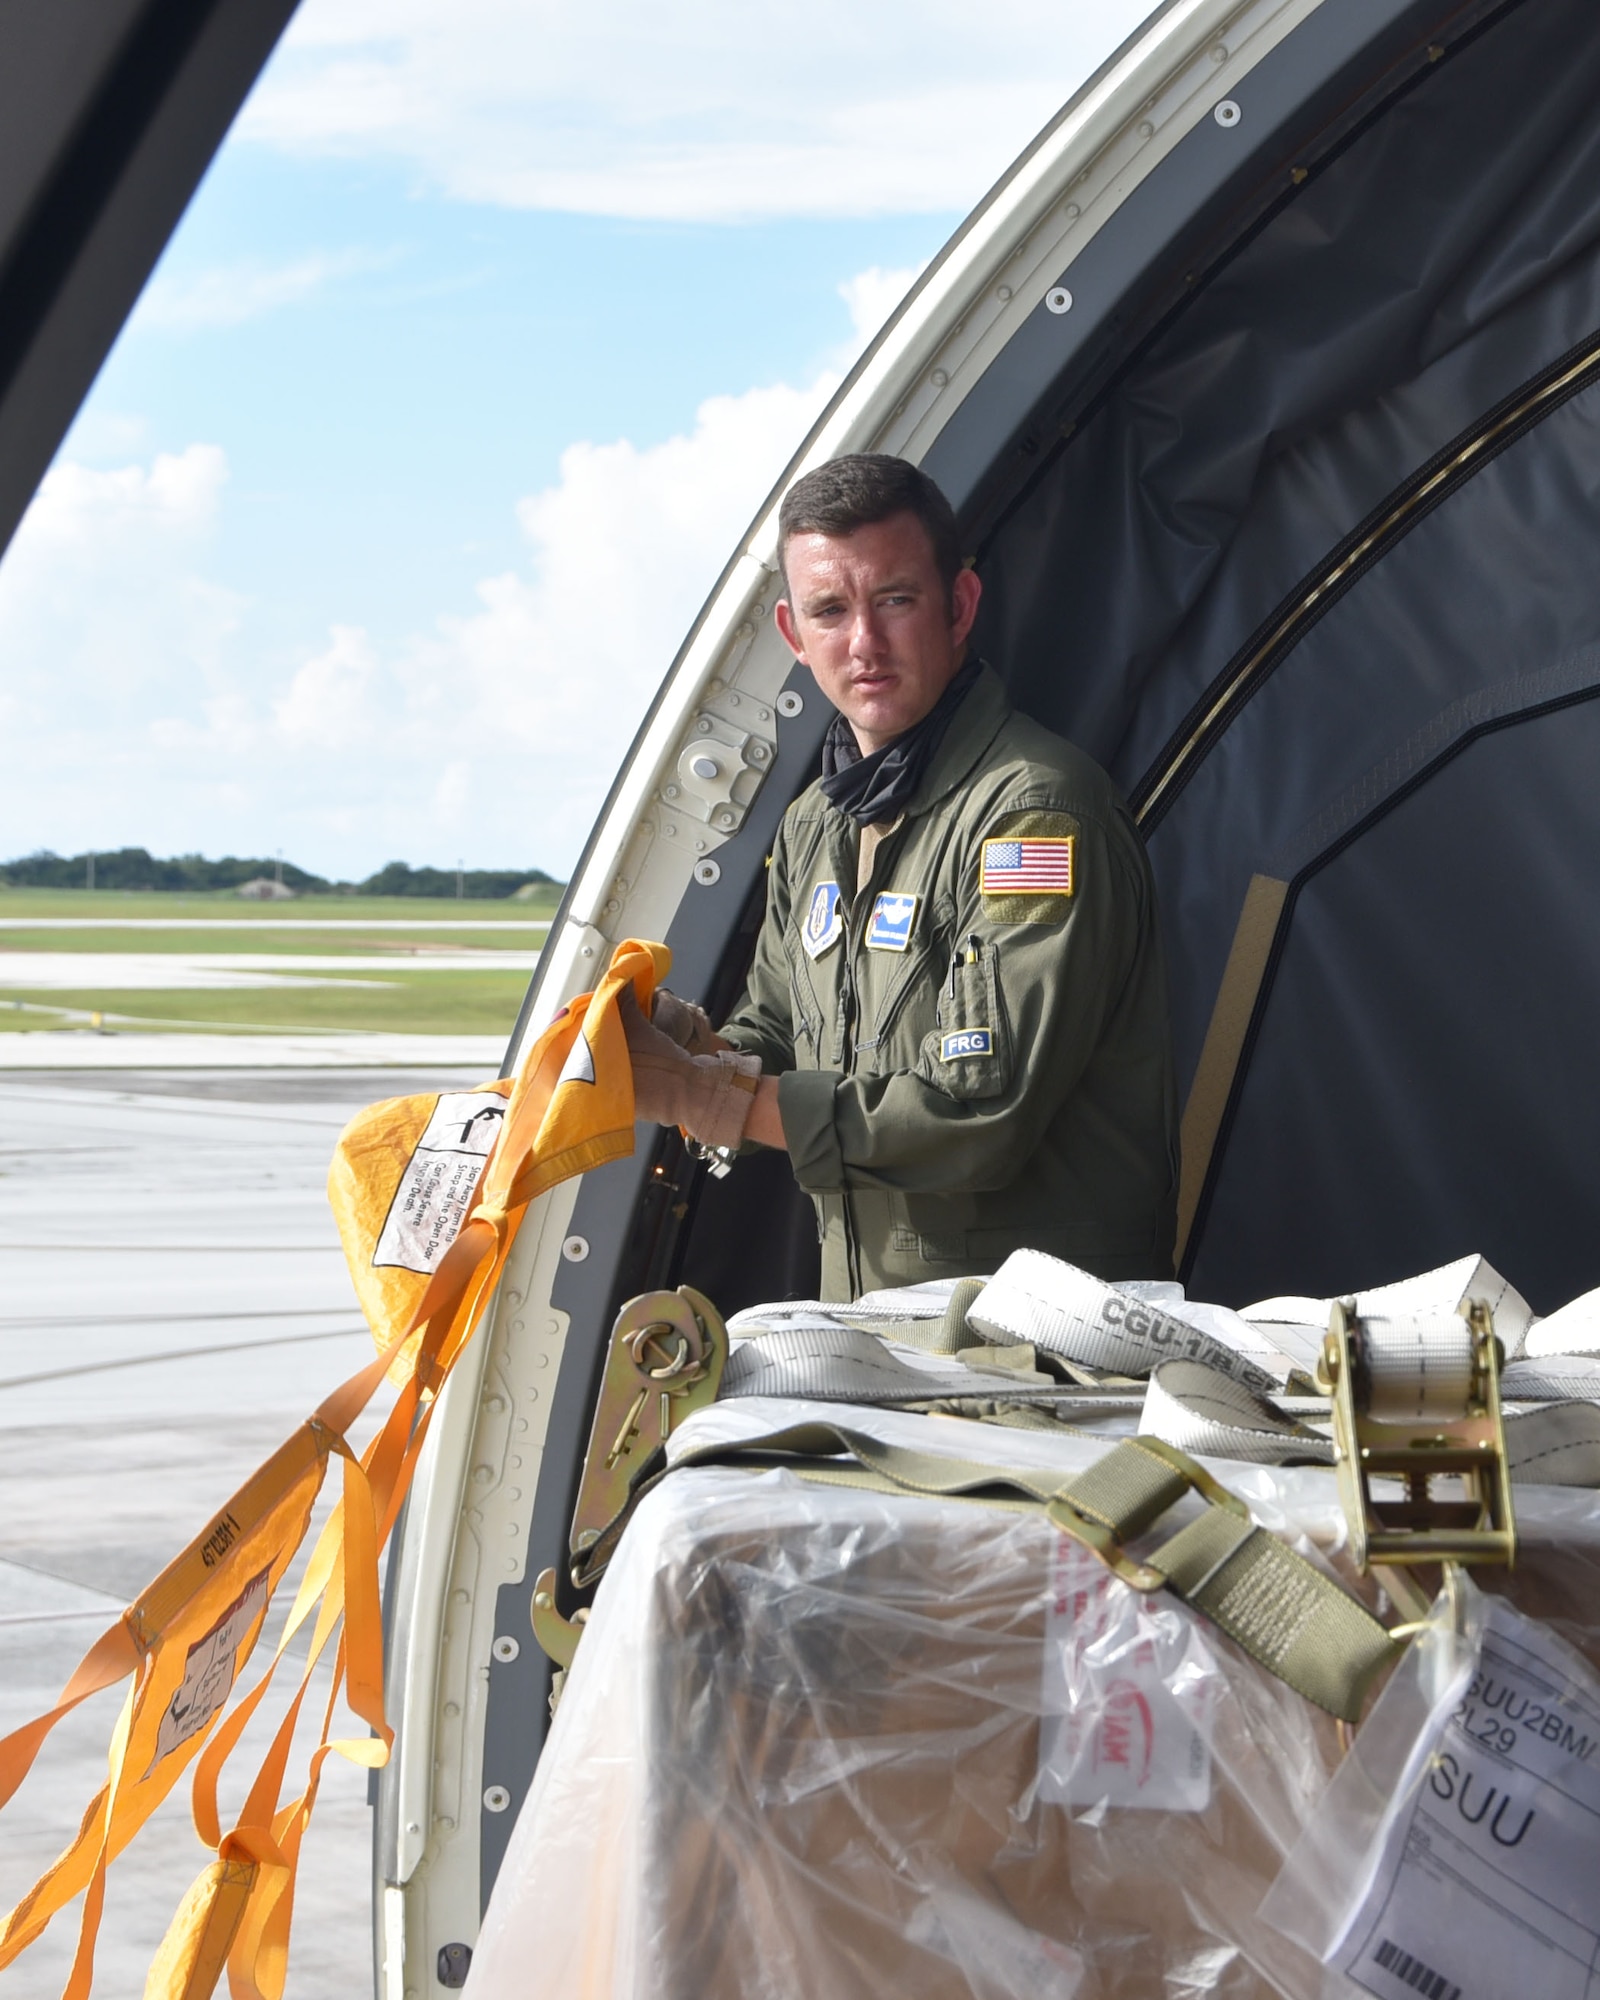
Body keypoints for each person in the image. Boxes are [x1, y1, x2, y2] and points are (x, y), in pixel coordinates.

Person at [621, 452, 1178, 1301]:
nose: (865, 644)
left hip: (1042, 1365)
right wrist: (684, 1046)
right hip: (881, 1338)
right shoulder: (817, 825)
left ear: (958, 606)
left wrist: (705, 1097)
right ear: (793, 636)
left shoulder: (1033, 815)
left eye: (895, 600)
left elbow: (974, 1117)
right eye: (831, 611)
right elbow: (774, 1026)